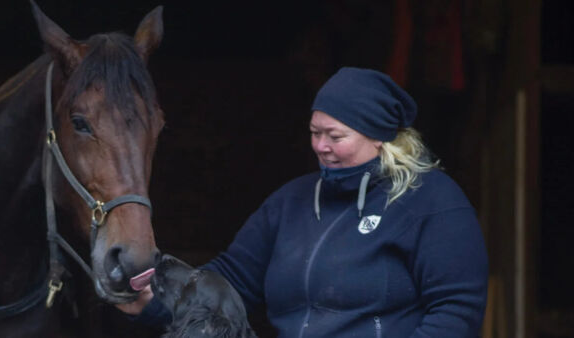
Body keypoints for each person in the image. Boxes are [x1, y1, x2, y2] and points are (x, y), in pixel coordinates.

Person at [117, 67, 489, 337]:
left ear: (378, 137)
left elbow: (456, 310)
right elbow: (230, 283)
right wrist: (157, 300)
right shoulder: (291, 202)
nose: (321, 146)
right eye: (315, 133)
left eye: (335, 136)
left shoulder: (432, 201)